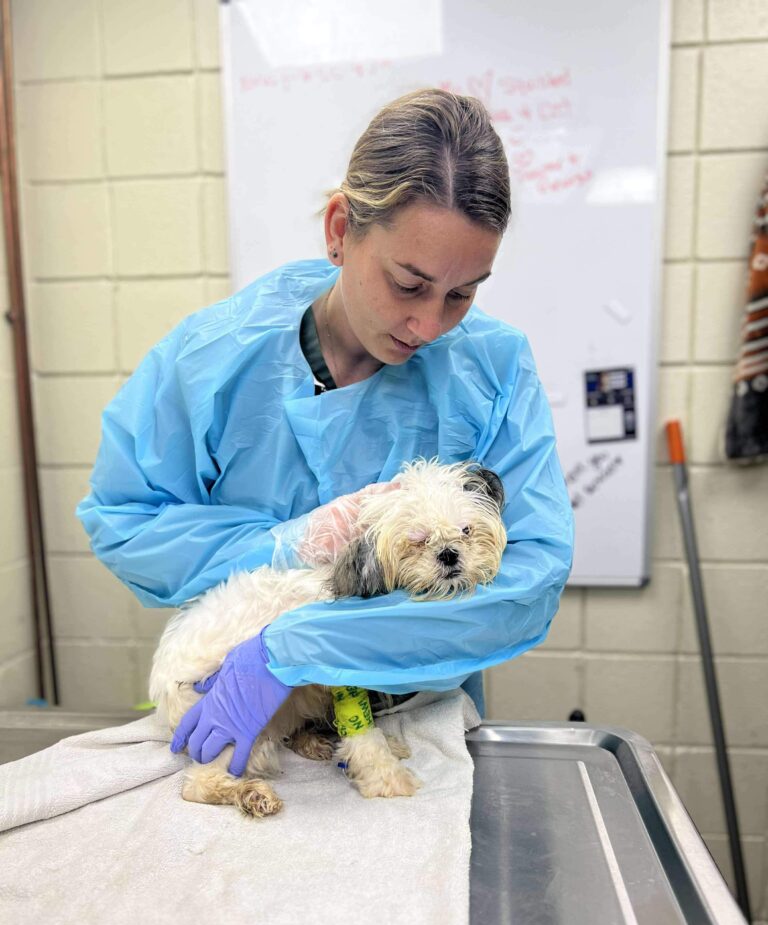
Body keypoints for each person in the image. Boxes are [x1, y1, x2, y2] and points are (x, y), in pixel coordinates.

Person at [77, 89, 574, 775]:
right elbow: (126, 521)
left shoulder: (492, 368)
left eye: (462, 294)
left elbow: (530, 578)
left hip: (414, 719)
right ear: (341, 229)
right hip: (250, 708)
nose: (429, 326)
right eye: (408, 284)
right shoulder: (212, 361)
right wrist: (287, 544)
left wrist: (299, 645)